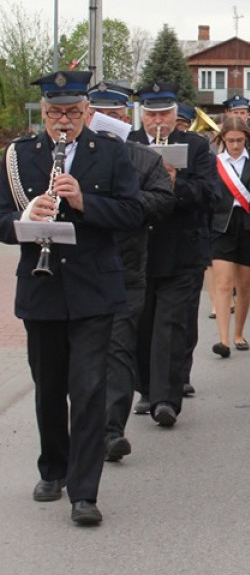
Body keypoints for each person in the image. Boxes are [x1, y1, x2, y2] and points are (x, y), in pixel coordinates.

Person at [0, 71, 144, 526]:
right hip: (41, 289)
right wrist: (26, 215)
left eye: (73, 113)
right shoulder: (19, 157)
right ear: (42, 113)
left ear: (88, 112)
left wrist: (84, 202)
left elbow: (134, 212)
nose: (64, 122)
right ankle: (53, 467)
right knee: (48, 389)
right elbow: (1, 219)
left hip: (94, 289)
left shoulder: (112, 153)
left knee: (87, 390)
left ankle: (85, 492)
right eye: (55, 113)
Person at [85, 83, 175, 464]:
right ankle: (80, 426)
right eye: (99, 115)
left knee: (119, 352)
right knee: (81, 359)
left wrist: (120, 203)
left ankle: (110, 431)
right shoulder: (67, 157)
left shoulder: (142, 158)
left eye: (117, 116)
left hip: (125, 271)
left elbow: (162, 202)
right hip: (75, 274)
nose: (108, 123)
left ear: (125, 118)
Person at [128, 83, 217, 427]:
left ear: (175, 114)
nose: (158, 121)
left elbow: (210, 195)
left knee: (172, 325)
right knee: (142, 323)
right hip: (139, 250)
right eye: (151, 114)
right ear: (142, 115)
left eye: (164, 114)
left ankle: (167, 399)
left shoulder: (195, 146)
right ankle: (147, 388)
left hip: (182, 250)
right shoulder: (127, 146)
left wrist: (175, 182)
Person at [209, 115, 250, 356]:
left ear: (247, 139)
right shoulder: (213, 164)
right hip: (221, 226)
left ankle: (238, 333)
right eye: (230, 140)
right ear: (222, 139)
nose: (234, 145)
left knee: (243, 286)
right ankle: (223, 340)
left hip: (249, 226)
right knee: (223, 284)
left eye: (239, 140)